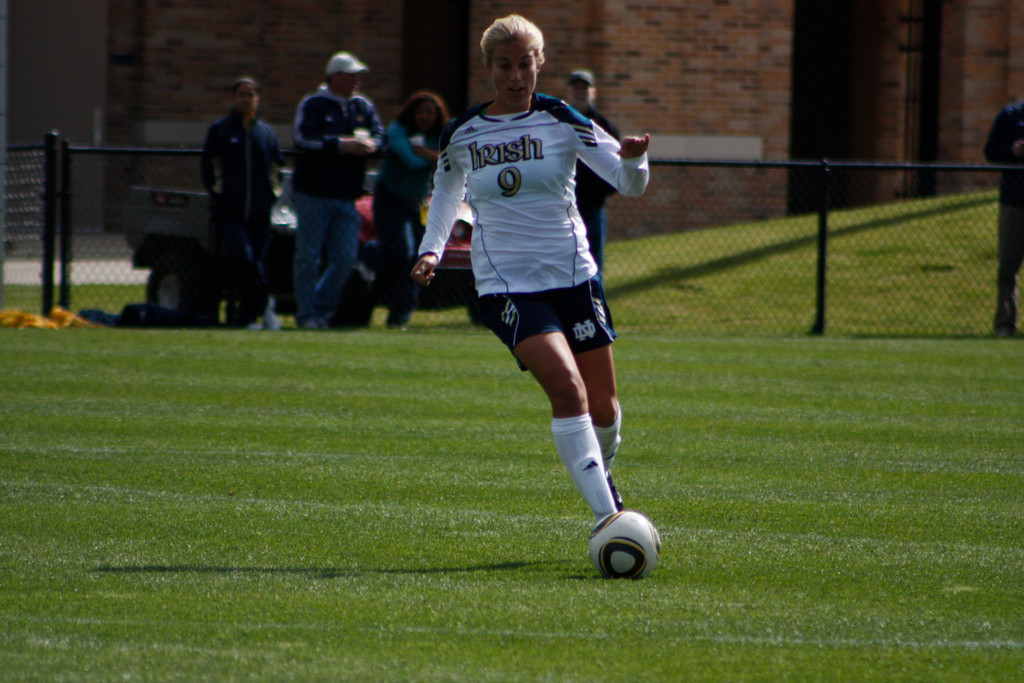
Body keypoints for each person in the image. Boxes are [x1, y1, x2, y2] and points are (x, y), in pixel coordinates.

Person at [411, 15, 650, 523]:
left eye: (525, 64)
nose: (516, 76)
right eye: (505, 65)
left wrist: (632, 160)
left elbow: (629, 183)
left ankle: (601, 479)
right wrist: (431, 250)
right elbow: (447, 194)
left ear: (539, 63)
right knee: (567, 389)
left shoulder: (561, 118)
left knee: (604, 409)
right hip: (507, 286)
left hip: (574, 276)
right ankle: (609, 519)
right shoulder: (463, 133)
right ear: (489, 68)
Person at [292, 52, 385, 329]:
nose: (358, 81)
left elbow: (380, 135)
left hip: (348, 196)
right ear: (336, 77)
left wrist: (372, 146)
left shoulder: (363, 105)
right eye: (353, 75)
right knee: (308, 257)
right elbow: (303, 139)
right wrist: (340, 145)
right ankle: (307, 314)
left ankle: (320, 309)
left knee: (345, 259)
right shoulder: (313, 104)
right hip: (313, 193)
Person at [200, 76, 284, 330]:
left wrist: (272, 196)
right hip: (231, 213)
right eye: (242, 95)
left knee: (257, 263)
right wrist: (220, 195)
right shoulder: (221, 130)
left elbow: (275, 169)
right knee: (243, 258)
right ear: (234, 98)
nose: (246, 99)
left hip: (259, 213)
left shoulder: (266, 133)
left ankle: (249, 316)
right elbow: (210, 167)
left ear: (258, 98)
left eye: (251, 95)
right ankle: (264, 307)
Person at [372, 91, 449, 329]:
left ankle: (399, 318)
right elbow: (411, 162)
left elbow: (455, 161)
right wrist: (437, 158)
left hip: (416, 203)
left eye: (430, 113)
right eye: (420, 112)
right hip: (390, 199)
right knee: (402, 253)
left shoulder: (439, 135)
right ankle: (369, 254)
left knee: (416, 258)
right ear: (411, 113)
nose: (425, 117)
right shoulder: (398, 130)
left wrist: (430, 154)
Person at [565, 69, 621, 272]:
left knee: (593, 264)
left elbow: (617, 167)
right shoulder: (559, 124)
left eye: (584, 88)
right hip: (562, 208)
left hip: (592, 210)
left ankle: (595, 294)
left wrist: (596, 193)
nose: (580, 92)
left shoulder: (603, 127)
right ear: (569, 92)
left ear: (593, 92)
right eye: (576, 88)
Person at [984, 100, 1024, 337]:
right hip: (1014, 202)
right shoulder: (1011, 115)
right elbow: (990, 151)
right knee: (1008, 268)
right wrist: (1012, 151)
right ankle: (1005, 324)